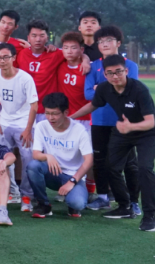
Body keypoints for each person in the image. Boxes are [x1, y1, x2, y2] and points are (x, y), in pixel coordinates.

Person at [70, 55, 155, 232]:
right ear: (105, 75)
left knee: (145, 169)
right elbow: (93, 105)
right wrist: (70, 118)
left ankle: (150, 216)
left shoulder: (139, 89)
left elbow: (150, 122)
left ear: (126, 71)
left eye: (118, 72)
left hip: (146, 132)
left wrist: (131, 127)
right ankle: (124, 206)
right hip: (124, 130)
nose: (115, 76)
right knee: (109, 165)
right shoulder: (105, 88)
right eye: (110, 73)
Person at [84, 25, 141, 214]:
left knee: (129, 164)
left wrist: (100, 89)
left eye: (109, 40)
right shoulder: (93, 66)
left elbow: (129, 91)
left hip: (124, 121)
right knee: (100, 160)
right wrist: (112, 87)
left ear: (118, 43)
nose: (104, 44)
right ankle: (103, 197)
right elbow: (87, 94)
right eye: (101, 41)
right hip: (99, 120)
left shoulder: (130, 66)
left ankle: (133, 201)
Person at [0, 42, 39, 211]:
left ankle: (27, 196)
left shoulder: (25, 78)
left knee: (28, 159)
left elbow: (34, 105)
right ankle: (10, 191)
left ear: (14, 57)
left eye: (6, 57)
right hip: (4, 123)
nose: (2, 61)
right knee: (3, 158)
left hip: (24, 124)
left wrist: (28, 129)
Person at [27, 93, 93, 219]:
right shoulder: (41, 126)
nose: (50, 118)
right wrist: (48, 156)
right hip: (52, 172)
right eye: (47, 113)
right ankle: (43, 205)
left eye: (55, 114)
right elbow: (36, 154)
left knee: (78, 203)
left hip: (73, 176)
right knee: (33, 166)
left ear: (66, 112)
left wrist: (72, 181)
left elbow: (89, 160)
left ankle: (73, 200)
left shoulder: (79, 130)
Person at [16, 20, 85, 122]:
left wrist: (86, 60)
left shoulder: (56, 54)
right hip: (25, 109)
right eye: (34, 36)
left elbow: (75, 53)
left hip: (48, 111)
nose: (38, 39)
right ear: (28, 38)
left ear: (47, 38)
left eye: (42, 35)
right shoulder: (21, 53)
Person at [57, 31, 97, 197]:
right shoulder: (59, 63)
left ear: (81, 49)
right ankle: (65, 187)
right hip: (66, 119)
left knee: (87, 155)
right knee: (65, 154)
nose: (69, 51)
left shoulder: (90, 68)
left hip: (86, 119)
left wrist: (86, 60)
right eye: (65, 47)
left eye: (73, 48)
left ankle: (90, 189)